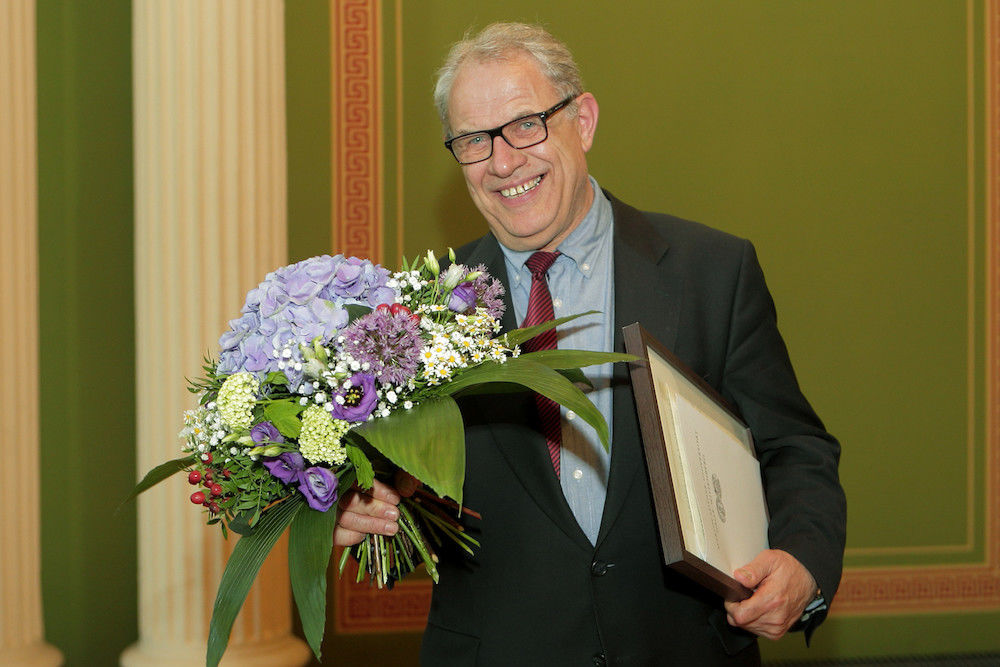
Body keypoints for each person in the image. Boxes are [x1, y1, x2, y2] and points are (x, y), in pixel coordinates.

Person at [335, 22, 847, 665]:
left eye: (526, 124)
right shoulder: (416, 310)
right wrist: (357, 509)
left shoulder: (712, 271)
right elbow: (405, 510)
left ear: (583, 120)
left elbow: (794, 448)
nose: (502, 161)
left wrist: (803, 564)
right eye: (472, 140)